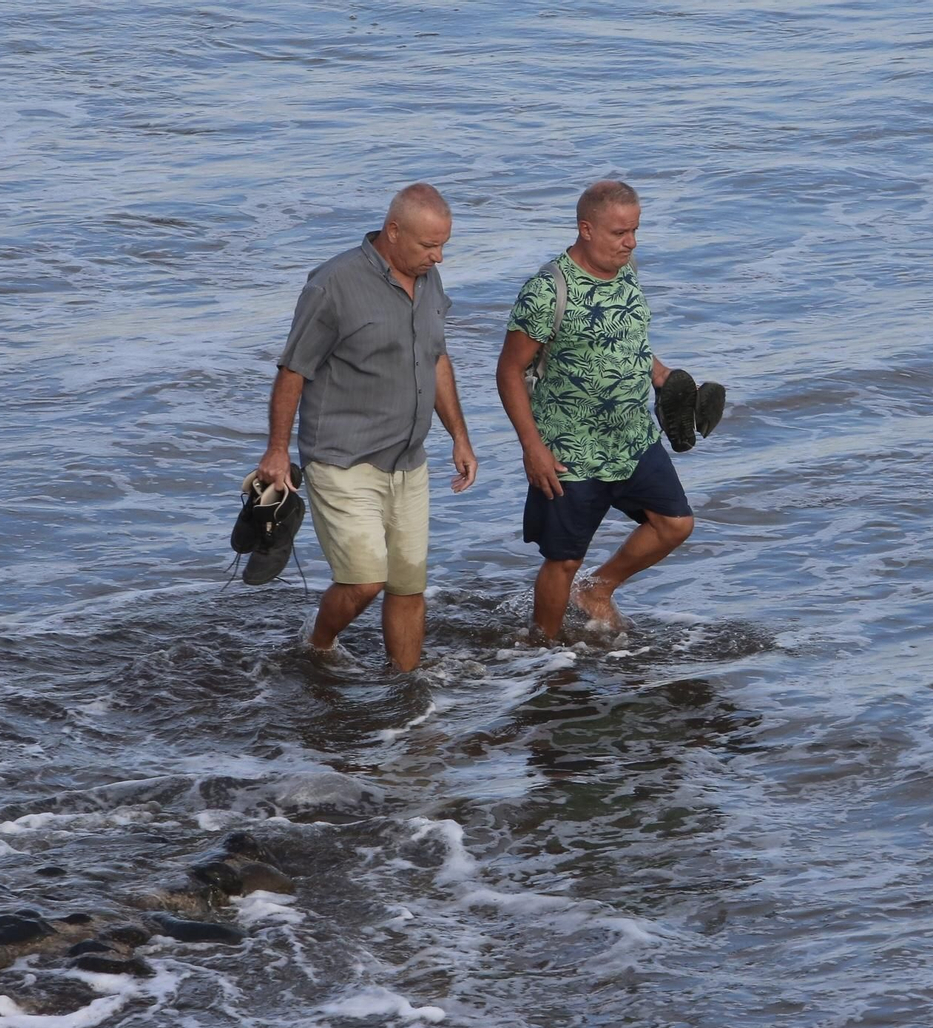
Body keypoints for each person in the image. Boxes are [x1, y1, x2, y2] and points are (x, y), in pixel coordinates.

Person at [255, 183, 478, 671]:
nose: (438, 257)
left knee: (407, 584)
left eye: (444, 245)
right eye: (428, 246)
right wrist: (276, 451)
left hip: (408, 461)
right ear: (393, 231)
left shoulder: (428, 279)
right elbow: (294, 369)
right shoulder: (332, 284)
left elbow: (436, 358)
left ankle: (407, 685)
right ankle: (317, 645)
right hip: (342, 459)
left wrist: (459, 436)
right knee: (364, 581)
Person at [493, 180, 697, 640]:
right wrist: (533, 449)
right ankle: (545, 650)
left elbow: (628, 337)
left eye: (635, 231)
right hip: (571, 450)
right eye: (620, 233)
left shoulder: (627, 269)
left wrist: (662, 376)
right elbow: (508, 372)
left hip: (633, 439)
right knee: (564, 559)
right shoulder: (547, 290)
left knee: (675, 524)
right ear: (586, 229)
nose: (631, 242)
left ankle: (598, 590)